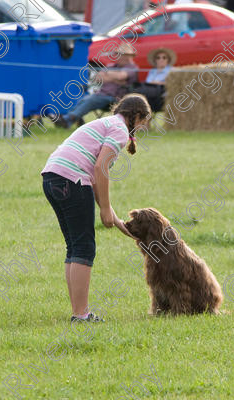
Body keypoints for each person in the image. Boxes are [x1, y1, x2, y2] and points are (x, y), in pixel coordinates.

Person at [41, 94, 152, 323]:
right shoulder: (120, 131)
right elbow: (100, 168)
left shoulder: (105, 124)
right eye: (144, 122)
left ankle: (77, 311)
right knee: (83, 248)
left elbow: (93, 177)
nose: (143, 128)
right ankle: (81, 315)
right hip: (71, 180)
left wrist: (117, 220)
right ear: (137, 116)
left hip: (53, 177)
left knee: (74, 246)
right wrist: (105, 208)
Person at [54, 43, 139, 129]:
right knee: (83, 99)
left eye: (122, 55)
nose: (120, 57)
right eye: (118, 54)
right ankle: (68, 120)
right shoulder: (111, 66)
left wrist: (107, 74)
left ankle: (67, 119)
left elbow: (121, 76)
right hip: (101, 94)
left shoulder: (132, 67)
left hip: (115, 97)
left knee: (91, 99)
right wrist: (116, 78)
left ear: (129, 57)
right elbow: (98, 78)